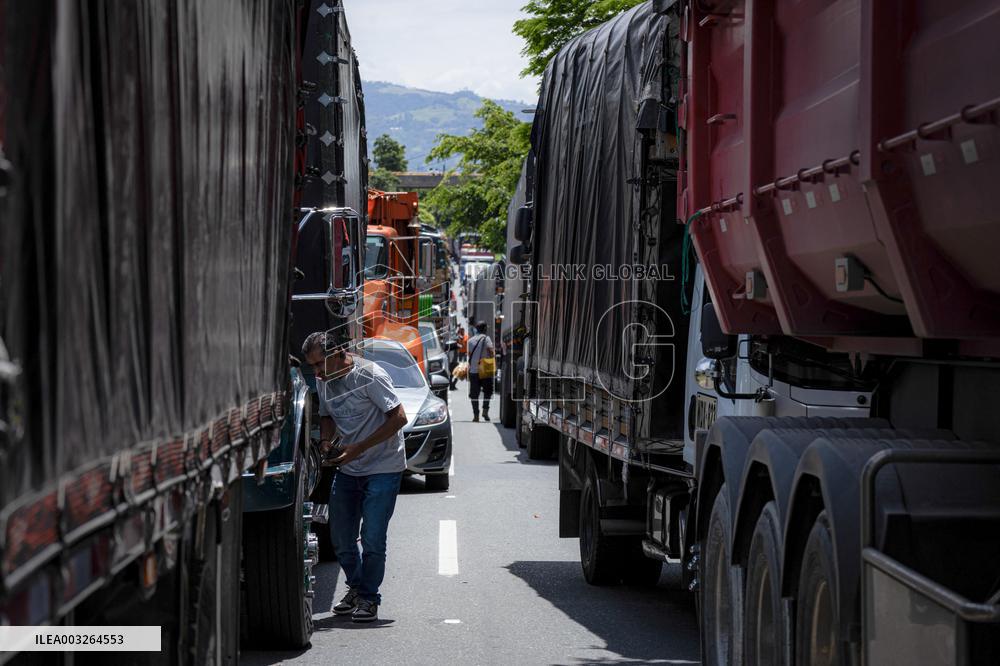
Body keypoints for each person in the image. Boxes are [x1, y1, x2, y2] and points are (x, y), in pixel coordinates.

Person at [302, 332, 408, 623]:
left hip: (383, 467)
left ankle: (368, 597)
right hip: (348, 468)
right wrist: (326, 442)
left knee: (373, 538)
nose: (317, 372)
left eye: (320, 364)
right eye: (312, 366)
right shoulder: (324, 382)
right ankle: (358, 588)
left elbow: (399, 418)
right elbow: (326, 416)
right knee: (340, 539)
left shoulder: (370, 375)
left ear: (338, 352)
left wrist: (358, 447)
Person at [467, 320, 494, 422]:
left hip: (474, 371)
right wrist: (491, 358)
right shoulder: (486, 339)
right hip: (485, 370)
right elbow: (491, 351)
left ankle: (476, 415)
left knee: (474, 394)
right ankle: (485, 411)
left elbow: (469, 354)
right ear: (485, 329)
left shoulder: (470, 341)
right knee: (487, 392)